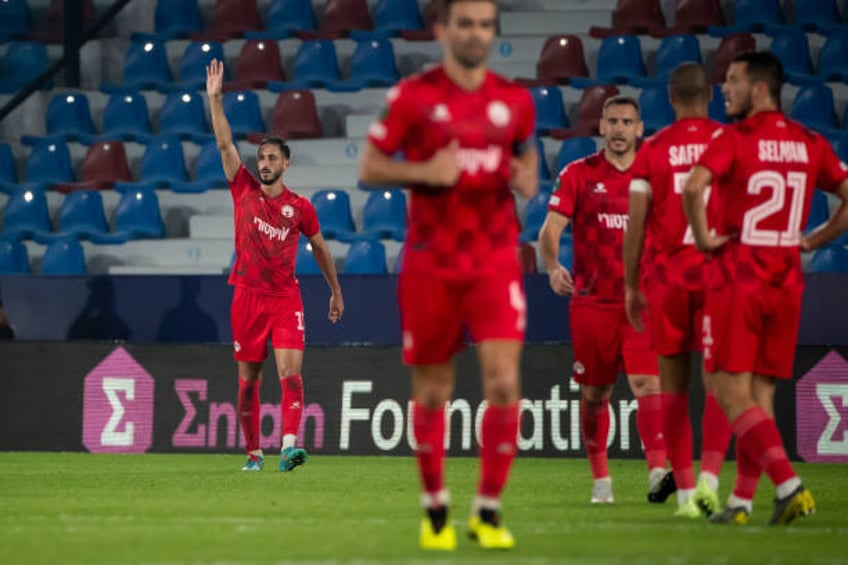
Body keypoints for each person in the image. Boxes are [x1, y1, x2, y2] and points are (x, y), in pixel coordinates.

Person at [358, 0, 537, 551]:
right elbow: (369, 166)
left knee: (505, 383)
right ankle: (435, 508)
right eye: (466, 23)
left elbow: (526, 157)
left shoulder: (515, 100)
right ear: (442, 30)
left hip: (494, 259)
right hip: (431, 262)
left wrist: (525, 175)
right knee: (434, 391)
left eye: (485, 24)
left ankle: (487, 509)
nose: (476, 34)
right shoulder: (413, 97)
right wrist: (423, 172)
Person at [682, 51, 848, 525]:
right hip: (787, 277)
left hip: (738, 274)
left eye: (733, 80)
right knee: (761, 392)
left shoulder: (735, 138)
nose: (726, 89)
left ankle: (790, 485)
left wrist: (703, 236)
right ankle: (741, 502)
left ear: (759, 88)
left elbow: (694, 188)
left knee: (726, 388)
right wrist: (814, 239)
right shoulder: (808, 141)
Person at [206, 59, 344, 473]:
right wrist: (215, 99)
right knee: (248, 384)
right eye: (261, 157)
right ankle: (253, 452)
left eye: (271, 158)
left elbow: (319, 248)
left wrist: (335, 290)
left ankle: (287, 448)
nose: (263, 163)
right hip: (246, 296)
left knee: (290, 373)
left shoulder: (301, 208)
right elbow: (224, 144)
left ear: (286, 163)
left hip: (286, 298)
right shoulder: (243, 188)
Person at [539, 96, 668, 506]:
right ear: (601, 127)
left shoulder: (656, 175)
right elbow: (550, 229)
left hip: (641, 302)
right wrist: (552, 264)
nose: (618, 128)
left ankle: (657, 472)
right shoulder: (578, 174)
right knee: (596, 393)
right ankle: (601, 481)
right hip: (592, 302)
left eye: (626, 121)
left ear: (639, 128)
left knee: (649, 383)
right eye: (612, 121)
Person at [623, 63, 733, 519]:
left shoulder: (654, 149)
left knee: (671, 387)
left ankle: (686, 492)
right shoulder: (730, 142)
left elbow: (636, 223)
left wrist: (631, 284)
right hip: (718, 277)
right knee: (718, 382)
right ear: (710, 95)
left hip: (667, 280)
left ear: (670, 99)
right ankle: (710, 479)